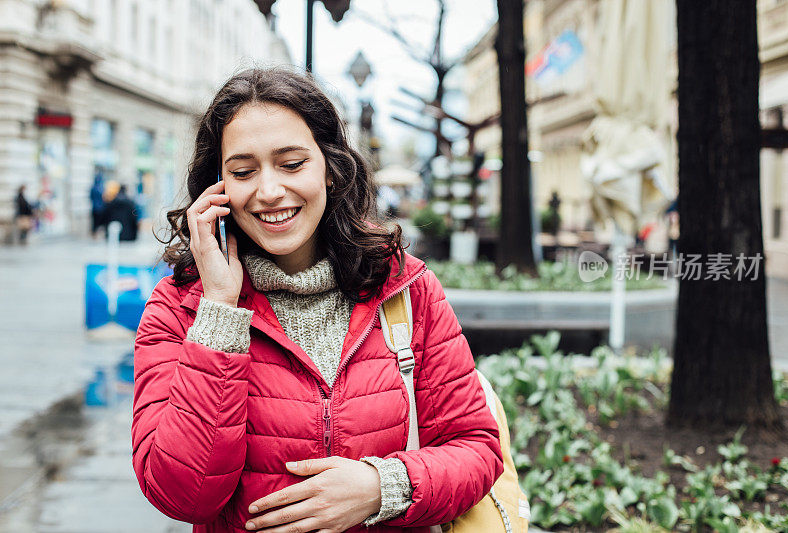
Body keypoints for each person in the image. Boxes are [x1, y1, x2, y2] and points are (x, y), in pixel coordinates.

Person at [132, 67, 502, 533]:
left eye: (291, 164)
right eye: (243, 172)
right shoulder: (180, 308)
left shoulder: (405, 289)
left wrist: (381, 487)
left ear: (330, 169)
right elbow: (181, 494)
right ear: (218, 187)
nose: (269, 192)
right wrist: (221, 310)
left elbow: (476, 447)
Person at [90, 173, 106, 238]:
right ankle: (97, 234)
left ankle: (95, 234)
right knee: (100, 222)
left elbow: (90, 197)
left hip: (95, 208)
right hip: (100, 208)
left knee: (95, 222)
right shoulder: (101, 188)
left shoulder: (93, 188)